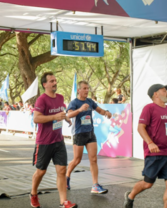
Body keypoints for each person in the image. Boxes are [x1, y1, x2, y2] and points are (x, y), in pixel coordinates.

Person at [123, 84, 167, 208]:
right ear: (155, 94)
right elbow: (140, 127)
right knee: (148, 184)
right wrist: (150, 142)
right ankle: (130, 196)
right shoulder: (149, 108)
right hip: (154, 153)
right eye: (164, 91)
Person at [30, 72, 77, 208]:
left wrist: (65, 117)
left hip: (58, 141)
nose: (55, 83)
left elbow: (60, 113)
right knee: (41, 171)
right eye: (51, 81)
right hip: (44, 142)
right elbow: (36, 118)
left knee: (62, 170)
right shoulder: (41, 100)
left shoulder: (60, 97)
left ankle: (64, 202)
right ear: (45, 84)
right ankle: (33, 194)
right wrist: (54, 117)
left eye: (55, 80)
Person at [66, 81, 112, 193]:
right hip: (79, 134)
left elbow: (99, 110)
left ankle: (95, 185)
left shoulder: (90, 101)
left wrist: (106, 112)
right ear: (79, 90)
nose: (87, 90)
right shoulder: (75, 102)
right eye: (84, 88)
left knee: (94, 159)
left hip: (90, 133)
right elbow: (68, 115)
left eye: (88, 88)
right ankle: (66, 176)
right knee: (77, 160)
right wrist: (80, 110)